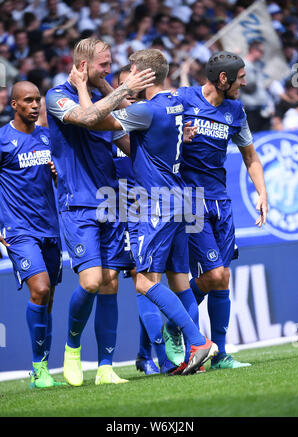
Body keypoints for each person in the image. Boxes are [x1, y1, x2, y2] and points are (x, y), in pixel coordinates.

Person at [70, 48, 219, 376]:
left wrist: (83, 86)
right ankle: (187, 361)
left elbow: (92, 118)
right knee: (180, 281)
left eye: (134, 71)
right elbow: (132, 108)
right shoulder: (174, 102)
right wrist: (119, 90)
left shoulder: (147, 112)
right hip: (182, 199)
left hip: (156, 204)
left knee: (143, 283)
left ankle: (198, 342)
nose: (129, 74)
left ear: (145, 75)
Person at [45, 37, 156, 386]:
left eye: (111, 63)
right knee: (91, 281)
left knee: (109, 284)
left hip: (112, 200)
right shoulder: (57, 96)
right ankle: (72, 347)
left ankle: (106, 367)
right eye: (103, 65)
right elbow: (89, 117)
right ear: (82, 66)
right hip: (78, 202)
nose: (108, 69)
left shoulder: (98, 92)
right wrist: (120, 87)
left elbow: (122, 135)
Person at [175, 51, 268, 369]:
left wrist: (262, 193)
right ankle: (178, 321)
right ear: (224, 79)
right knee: (214, 274)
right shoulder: (182, 99)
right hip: (190, 200)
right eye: (240, 77)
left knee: (223, 276)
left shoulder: (235, 110)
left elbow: (250, 156)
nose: (245, 81)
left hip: (221, 201)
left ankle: (221, 353)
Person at [111, 64, 176, 375]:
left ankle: (147, 354)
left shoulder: (144, 120)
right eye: (124, 89)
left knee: (148, 280)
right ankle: (142, 357)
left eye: (133, 88)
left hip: (146, 205)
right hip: (117, 205)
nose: (130, 94)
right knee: (137, 281)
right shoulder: (106, 123)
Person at [0, 81, 64, 388]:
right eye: (28, 100)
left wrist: (56, 173)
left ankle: (42, 369)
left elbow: (60, 176)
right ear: (14, 104)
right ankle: (39, 369)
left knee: (48, 298)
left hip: (50, 228)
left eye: (38, 99)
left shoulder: (46, 136)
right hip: (19, 229)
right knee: (39, 289)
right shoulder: (2, 139)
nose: (35, 105)